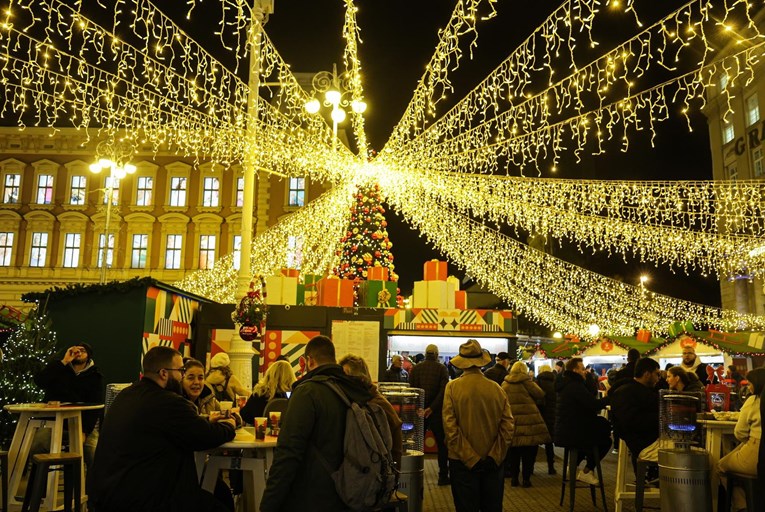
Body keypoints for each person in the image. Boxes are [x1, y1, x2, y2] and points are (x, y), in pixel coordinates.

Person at [90, 346, 236, 512]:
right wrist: (229, 424)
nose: (182, 376)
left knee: (218, 493)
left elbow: (169, 426)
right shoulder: (169, 402)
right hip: (146, 498)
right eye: (181, 370)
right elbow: (207, 436)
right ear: (164, 373)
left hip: (108, 494)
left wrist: (206, 420)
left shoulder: (127, 394)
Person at [260, 335, 375, 512]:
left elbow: (288, 453)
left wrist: (268, 504)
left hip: (313, 495)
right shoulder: (354, 389)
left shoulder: (307, 392)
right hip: (353, 488)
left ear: (307, 361)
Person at [442, 340, 514, 512]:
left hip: (462, 462)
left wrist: (470, 458)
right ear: (481, 362)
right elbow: (508, 426)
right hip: (492, 462)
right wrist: (494, 455)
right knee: (492, 506)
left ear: (462, 363)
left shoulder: (452, 388)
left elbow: (450, 428)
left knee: (466, 506)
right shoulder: (497, 389)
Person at [33, 343, 104, 466]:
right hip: (52, 421)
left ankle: (93, 484)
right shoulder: (58, 368)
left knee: (93, 451)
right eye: (75, 350)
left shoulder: (95, 377)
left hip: (80, 423)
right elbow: (40, 381)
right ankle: (39, 482)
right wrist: (64, 361)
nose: (78, 353)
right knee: (39, 444)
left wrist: (85, 431)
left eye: (83, 351)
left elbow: (94, 407)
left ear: (89, 356)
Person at [339, 353, 404, 468]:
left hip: (375, 477)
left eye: (344, 379)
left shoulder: (379, 406)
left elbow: (396, 451)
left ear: (358, 379)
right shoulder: (352, 402)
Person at [555, 357, 611, 486]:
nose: (585, 371)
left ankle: (573, 466)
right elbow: (592, 404)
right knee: (605, 439)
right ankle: (587, 471)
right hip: (573, 430)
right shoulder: (575, 386)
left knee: (599, 429)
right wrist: (608, 398)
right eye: (582, 368)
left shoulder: (566, 383)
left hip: (566, 429)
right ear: (575, 370)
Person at [718, 367, 764, 512]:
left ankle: (741, 506)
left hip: (756, 453)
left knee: (720, 466)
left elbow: (739, 433)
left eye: (749, 383)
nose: (748, 387)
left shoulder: (753, 400)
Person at [501, 361, 550, 487]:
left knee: (514, 452)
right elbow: (540, 394)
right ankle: (526, 479)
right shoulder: (527, 381)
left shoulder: (505, 383)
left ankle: (514, 479)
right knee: (528, 452)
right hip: (529, 422)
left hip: (512, 421)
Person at [409, 343, 451, 485]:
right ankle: (443, 476)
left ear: (425, 353)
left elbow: (412, 390)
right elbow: (443, 390)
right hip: (437, 412)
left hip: (419, 412)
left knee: (416, 444)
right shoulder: (442, 368)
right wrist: (432, 408)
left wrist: (419, 407)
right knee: (442, 444)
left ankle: (414, 474)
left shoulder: (416, 368)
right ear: (437, 354)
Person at [610, 358, 661, 470]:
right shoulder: (632, 392)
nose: (659, 378)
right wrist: (662, 419)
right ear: (647, 374)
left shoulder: (628, 390)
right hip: (645, 445)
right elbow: (632, 421)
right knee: (693, 454)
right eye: (657, 374)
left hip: (641, 443)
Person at [240, 360, 296, 425]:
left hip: (261, 432)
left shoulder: (260, 393)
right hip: (287, 432)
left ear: (270, 374)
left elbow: (246, 415)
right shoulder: (295, 394)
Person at [535, 364, 558, 475]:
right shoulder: (555, 384)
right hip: (551, 416)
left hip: (538, 416)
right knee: (549, 444)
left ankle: (530, 469)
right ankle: (551, 467)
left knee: (534, 444)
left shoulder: (536, 384)